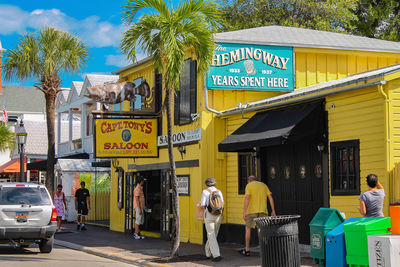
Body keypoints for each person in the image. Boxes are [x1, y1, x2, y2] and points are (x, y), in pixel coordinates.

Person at [240, 175, 276, 256]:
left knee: (248, 229)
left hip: (251, 211)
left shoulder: (249, 186)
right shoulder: (263, 185)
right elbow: (270, 197)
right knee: (263, 230)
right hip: (263, 211)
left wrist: (244, 212)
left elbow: (247, 198)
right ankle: (266, 250)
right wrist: (273, 211)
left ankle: (247, 250)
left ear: (249, 181)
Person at [200, 177, 224, 262]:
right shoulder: (219, 191)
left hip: (209, 215)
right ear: (214, 183)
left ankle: (216, 255)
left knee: (211, 234)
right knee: (214, 234)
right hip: (218, 214)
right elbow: (222, 203)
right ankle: (208, 253)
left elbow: (203, 204)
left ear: (206, 184)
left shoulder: (205, 191)